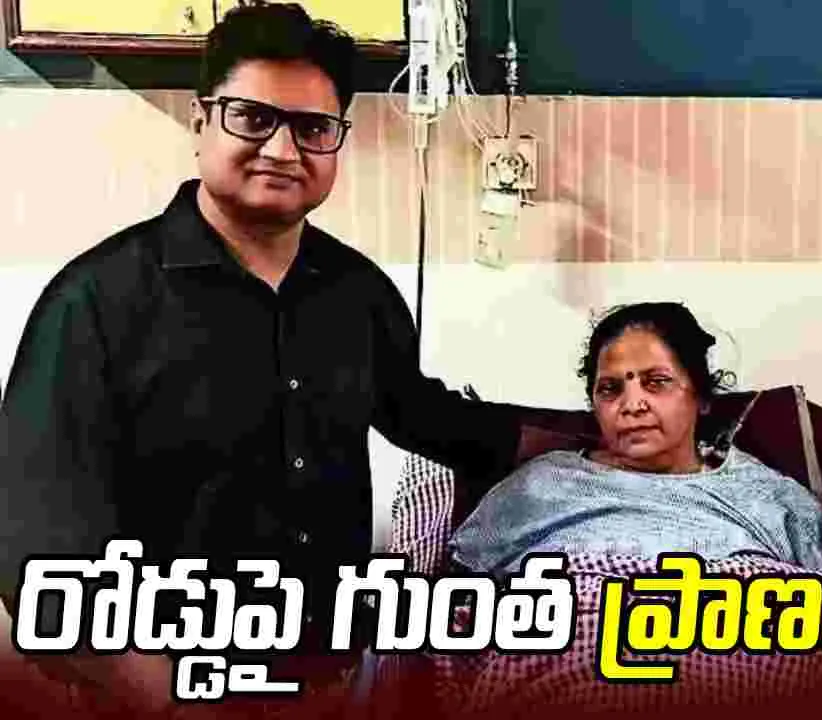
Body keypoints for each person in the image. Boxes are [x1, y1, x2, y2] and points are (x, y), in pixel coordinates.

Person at [0, 4, 578, 718]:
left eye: (312, 128)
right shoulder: (96, 301)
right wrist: (165, 697)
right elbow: (38, 543)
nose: (281, 149)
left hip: (328, 677)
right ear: (201, 122)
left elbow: (429, 417)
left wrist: (598, 440)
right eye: (252, 118)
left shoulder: (357, 292)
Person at [450, 301, 822, 578]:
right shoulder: (541, 485)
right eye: (610, 390)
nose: (631, 405)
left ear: (702, 397)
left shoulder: (766, 495)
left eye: (656, 382)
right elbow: (463, 600)